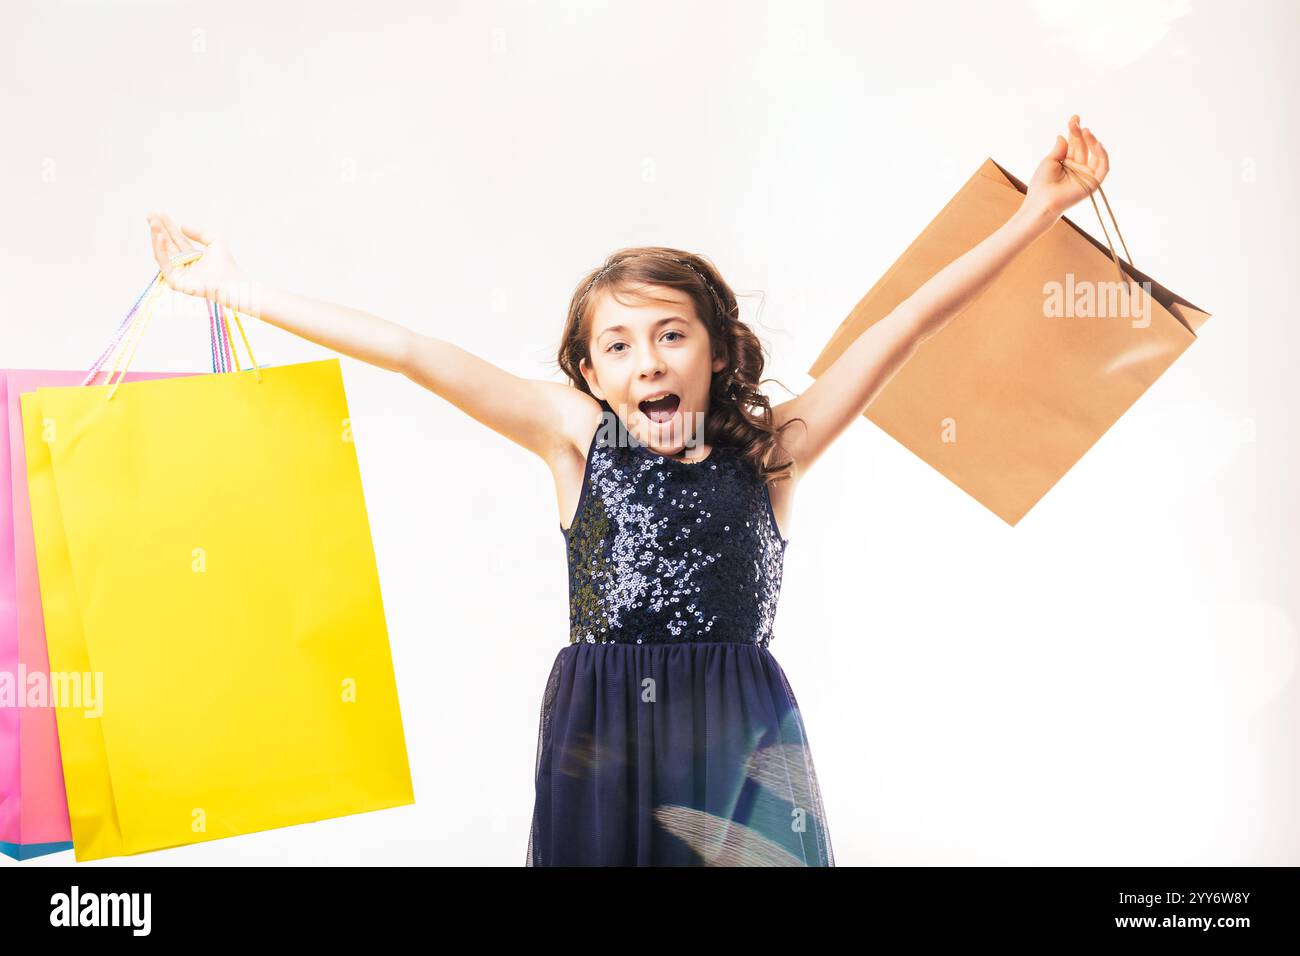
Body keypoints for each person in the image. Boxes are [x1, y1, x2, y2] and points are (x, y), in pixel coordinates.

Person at [146, 115, 1108, 866]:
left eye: (671, 334)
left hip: (736, 736)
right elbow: (412, 353)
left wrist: (1037, 212)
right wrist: (237, 287)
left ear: (720, 350)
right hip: (601, 738)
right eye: (619, 345)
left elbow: (907, 326)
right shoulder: (573, 440)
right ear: (591, 375)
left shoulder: (775, 450)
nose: (647, 360)